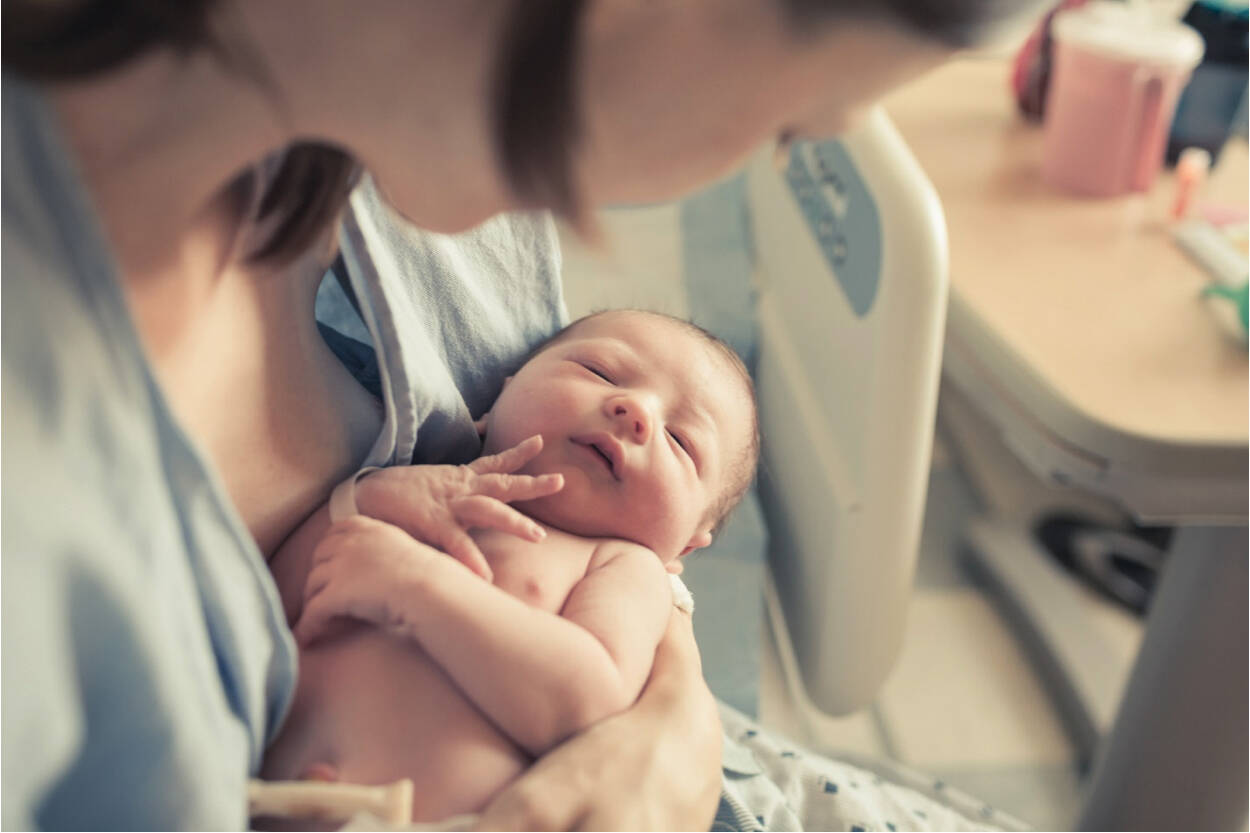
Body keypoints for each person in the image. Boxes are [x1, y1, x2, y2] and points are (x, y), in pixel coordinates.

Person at [2, 1, 1049, 829]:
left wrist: (666, 738)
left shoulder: (413, 138)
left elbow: (629, 587)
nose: (630, 407)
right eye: (786, 127)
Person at [257, 309, 759, 825]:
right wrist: (364, 499)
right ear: (502, 392)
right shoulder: (417, 482)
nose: (636, 411)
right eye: (600, 372)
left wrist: (416, 585)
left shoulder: (623, 567)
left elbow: (584, 702)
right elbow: (275, 593)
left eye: (682, 442)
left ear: (686, 550)